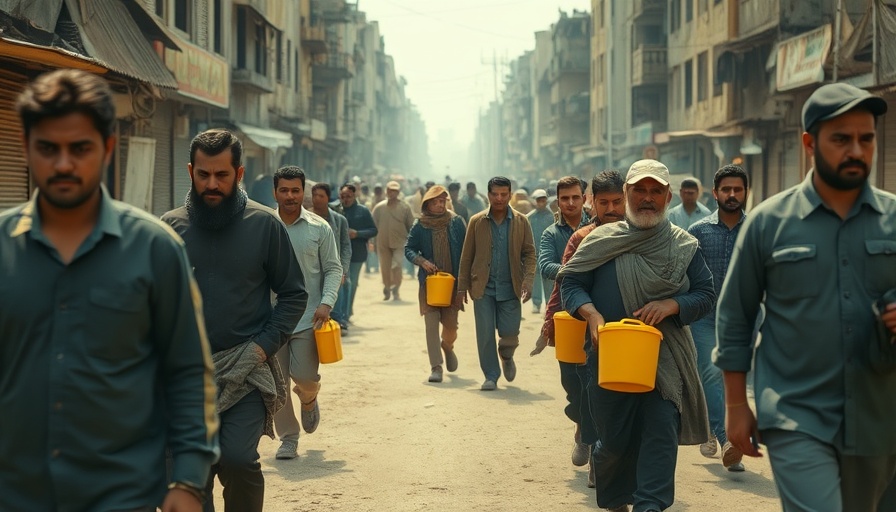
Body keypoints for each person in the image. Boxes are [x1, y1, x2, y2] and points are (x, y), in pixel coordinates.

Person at [0, 68, 218, 512]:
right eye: (48, 148)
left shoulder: (155, 249)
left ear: (107, 148)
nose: (63, 164)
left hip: (121, 494)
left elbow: (188, 371)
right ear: (26, 150)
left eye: (79, 148)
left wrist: (190, 480)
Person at [716, 83, 896, 511]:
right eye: (841, 139)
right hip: (797, 416)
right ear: (810, 144)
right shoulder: (768, 224)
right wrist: (736, 405)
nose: (856, 150)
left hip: (882, 418)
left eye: (866, 138)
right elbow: (736, 318)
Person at [162, 129, 307, 512]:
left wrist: (262, 346)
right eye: (204, 174)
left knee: (238, 459)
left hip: (245, 371)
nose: (212, 184)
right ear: (191, 171)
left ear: (238, 173)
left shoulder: (264, 225)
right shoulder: (169, 229)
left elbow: (294, 295)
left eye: (221, 175)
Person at [559, 159, 713, 512]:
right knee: (613, 443)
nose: (647, 198)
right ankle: (616, 499)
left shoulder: (683, 245)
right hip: (609, 359)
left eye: (655, 191)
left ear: (668, 196)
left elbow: (705, 294)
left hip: (665, 361)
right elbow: (572, 282)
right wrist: (592, 313)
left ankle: (650, 505)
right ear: (627, 193)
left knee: (659, 436)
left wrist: (673, 304)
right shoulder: (600, 240)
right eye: (639, 190)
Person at [531, 170, 625, 486]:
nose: (611, 209)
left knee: (604, 396)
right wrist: (549, 326)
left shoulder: (638, 233)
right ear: (593, 203)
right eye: (604, 202)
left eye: (617, 201)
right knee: (579, 389)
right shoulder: (578, 237)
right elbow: (562, 283)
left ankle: (599, 460)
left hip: (627, 331)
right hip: (578, 325)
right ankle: (584, 430)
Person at [271, 166, 342, 460]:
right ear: (275, 192)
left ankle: (309, 397)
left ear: (304, 192)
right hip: (270, 320)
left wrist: (326, 303)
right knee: (277, 384)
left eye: (295, 190)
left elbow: (334, 268)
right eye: (284, 190)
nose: (290, 196)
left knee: (304, 376)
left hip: (308, 317)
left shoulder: (319, 228)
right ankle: (288, 438)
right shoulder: (262, 225)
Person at [686, 164, 750, 473]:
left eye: (738, 189)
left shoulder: (756, 230)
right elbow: (683, 275)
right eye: (727, 189)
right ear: (715, 194)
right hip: (704, 317)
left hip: (743, 319)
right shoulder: (697, 232)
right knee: (711, 373)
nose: (733, 194)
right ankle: (728, 441)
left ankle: (717, 430)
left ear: (745, 192)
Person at [457, 176, 537, 391]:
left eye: (504, 194)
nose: (499, 199)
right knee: (484, 334)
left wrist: (528, 280)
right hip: (482, 287)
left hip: (511, 287)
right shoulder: (477, 221)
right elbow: (467, 256)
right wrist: (461, 287)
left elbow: (530, 253)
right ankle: (491, 375)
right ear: (488, 194)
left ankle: (507, 355)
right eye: (495, 194)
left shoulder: (521, 221)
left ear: (510, 195)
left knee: (510, 333)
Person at [405, 185, 468, 382]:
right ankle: (436, 367)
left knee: (451, 328)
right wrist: (421, 261)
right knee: (431, 325)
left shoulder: (456, 222)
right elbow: (409, 249)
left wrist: (464, 284)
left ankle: (447, 346)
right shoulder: (420, 225)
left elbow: (467, 252)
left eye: (443, 201)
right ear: (427, 204)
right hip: (430, 285)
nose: (440, 205)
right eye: (435, 202)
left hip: (453, 285)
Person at [311, 182, 353, 331]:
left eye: (321, 196)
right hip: (311, 268)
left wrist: (343, 270)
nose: (317, 199)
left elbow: (346, 247)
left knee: (342, 287)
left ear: (328, 198)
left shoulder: (339, 220)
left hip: (332, 267)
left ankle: (339, 320)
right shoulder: (306, 218)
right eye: (314, 195)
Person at [335, 183, 378, 320]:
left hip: (357, 254)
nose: (346, 199)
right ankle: (341, 312)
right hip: (338, 253)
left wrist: (357, 233)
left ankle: (346, 314)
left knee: (351, 284)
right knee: (339, 284)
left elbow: (373, 230)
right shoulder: (335, 210)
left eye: (349, 196)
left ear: (354, 195)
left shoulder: (363, 211)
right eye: (343, 196)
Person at [372, 180, 416, 301]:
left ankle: (396, 288)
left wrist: (412, 242)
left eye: (395, 191)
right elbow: (373, 226)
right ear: (386, 191)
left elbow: (411, 226)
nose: (392, 193)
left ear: (398, 192)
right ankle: (387, 287)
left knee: (397, 266)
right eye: (390, 191)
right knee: (385, 267)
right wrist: (372, 242)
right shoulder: (379, 207)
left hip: (399, 243)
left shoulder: (405, 207)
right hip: (383, 243)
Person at [526, 188, 554, 314]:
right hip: (534, 253)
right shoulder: (529, 218)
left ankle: (549, 304)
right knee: (536, 280)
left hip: (548, 254)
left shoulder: (552, 217)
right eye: (539, 200)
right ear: (535, 201)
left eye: (543, 200)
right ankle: (536, 303)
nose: (541, 202)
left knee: (549, 280)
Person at [365, 183, 384, 274]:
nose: (378, 192)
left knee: (378, 248)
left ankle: (376, 266)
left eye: (379, 190)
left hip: (382, 228)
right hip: (371, 227)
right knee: (370, 247)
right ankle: (368, 267)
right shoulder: (370, 201)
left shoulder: (385, 201)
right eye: (377, 190)